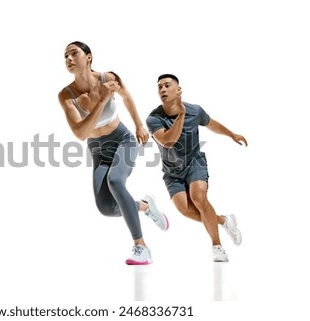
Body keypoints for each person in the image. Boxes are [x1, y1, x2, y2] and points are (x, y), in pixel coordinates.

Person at [58, 41, 169, 265]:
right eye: (65, 56)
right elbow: (80, 133)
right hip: (97, 148)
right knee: (107, 208)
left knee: (116, 181)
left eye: (74, 53)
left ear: (88, 57)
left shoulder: (108, 78)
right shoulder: (66, 95)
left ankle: (141, 246)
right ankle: (146, 206)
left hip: (122, 140)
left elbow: (127, 97)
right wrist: (101, 100)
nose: (68, 59)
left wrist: (138, 125)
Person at [146, 74, 248, 262]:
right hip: (172, 173)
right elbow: (168, 141)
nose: (162, 89)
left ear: (178, 90)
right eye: (159, 87)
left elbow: (212, 124)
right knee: (185, 210)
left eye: (167, 85)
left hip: (194, 162)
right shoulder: (153, 118)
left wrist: (232, 134)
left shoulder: (196, 111)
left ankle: (217, 246)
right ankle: (224, 221)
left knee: (199, 198)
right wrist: (181, 115)